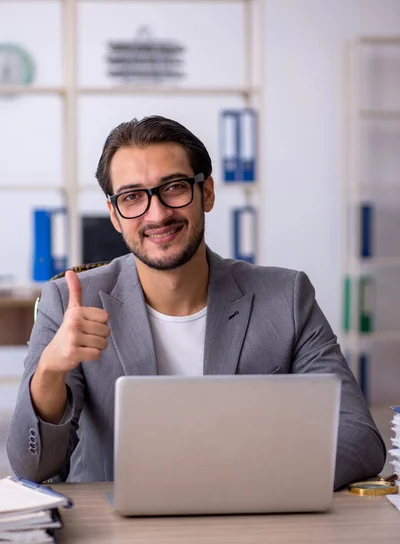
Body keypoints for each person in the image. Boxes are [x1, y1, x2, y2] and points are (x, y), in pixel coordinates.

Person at [7, 115, 385, 489]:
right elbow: (32, 467)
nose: (157, 214)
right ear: (114, 215)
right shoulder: (69, 301)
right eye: (132, 196)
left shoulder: (286, 297)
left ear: (207, 193)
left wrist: (230, 483)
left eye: (173, 187)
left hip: (252, 523)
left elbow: (358, 439)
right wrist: (51, 371)